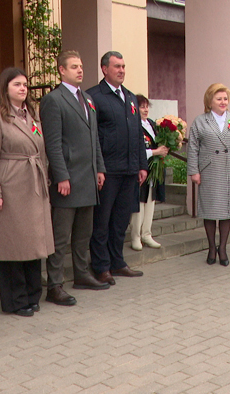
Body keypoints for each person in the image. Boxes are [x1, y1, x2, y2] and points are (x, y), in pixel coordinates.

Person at [0, 67, 55, 317]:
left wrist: (45, 178)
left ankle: (33, 294)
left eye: (25, 84)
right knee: (12, 245)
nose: (23, 88)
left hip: (33, 185)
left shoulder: (31, 116)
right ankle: (16, 300)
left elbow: (41, 149)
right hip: (11, 186)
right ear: (6, 88)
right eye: (17, 84)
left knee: (33, 244)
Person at [41, 51, 110, 305]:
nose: (80, 71)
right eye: (73, 67)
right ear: (61, 70)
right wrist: (61, 175)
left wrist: (100, 169)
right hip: (67, 180)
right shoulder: (53, 100)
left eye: (81, 66)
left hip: (88, 178)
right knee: (61, 237)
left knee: (84, 233)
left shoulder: (88, 99)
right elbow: (53, 143)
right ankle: (55, 284)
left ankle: (81, 274)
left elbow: (95, 140)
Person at [86, 51, 147, 285]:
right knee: (102, 221)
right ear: (104, 69)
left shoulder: (130, 97)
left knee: (121, 220)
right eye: (116, 66)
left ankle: (117, 262)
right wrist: (99, 168)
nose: (121, 70)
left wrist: (142, 165)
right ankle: (101, 266)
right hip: (108, 171)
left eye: (123, 66)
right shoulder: (94, 96)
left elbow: (137, 134)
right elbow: (93, 137)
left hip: (130, 170)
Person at [187, 84, 230, 266]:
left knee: (227, 211)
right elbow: (193, 147)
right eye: (219, 99)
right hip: (209, 170)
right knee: (211, 211)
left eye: (225, 99)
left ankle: (223, 248)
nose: (223, 102)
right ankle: (212, 247)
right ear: (209, 101)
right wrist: (194, 171)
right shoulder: (200, 121)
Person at [130, 95, 169, 251]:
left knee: (150, 202)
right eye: (142, 106)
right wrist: (154, 152)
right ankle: (135, 236)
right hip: (140, 168)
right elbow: (136, 149)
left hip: (153, 170)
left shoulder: (152, 124)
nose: (145, 110)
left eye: (147, 106)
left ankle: (147, 234)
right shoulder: (133, 125)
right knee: (139, 204)